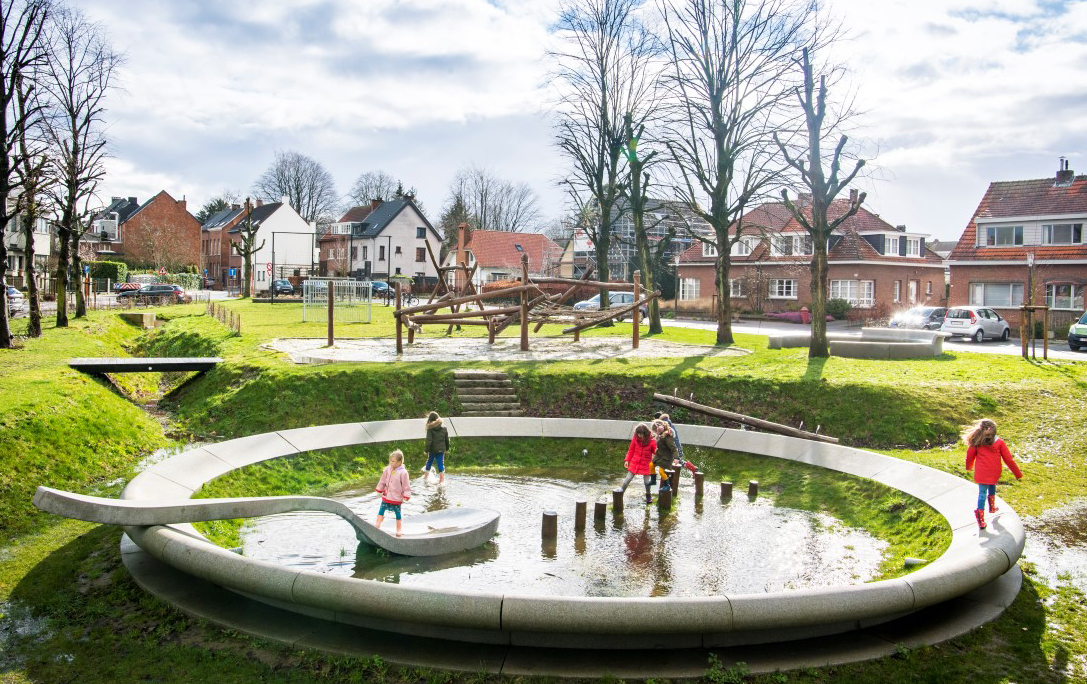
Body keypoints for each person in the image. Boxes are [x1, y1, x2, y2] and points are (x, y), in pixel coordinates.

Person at [964, 418, 1023, 530]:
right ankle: (992, 507)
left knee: (982, 493)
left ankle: (981, 520)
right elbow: (1009, 460)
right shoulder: (1000, 443)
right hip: (994, 471)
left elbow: (970, 456)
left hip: (981, 472)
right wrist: (1017, 473)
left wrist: (969, 467)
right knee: (992, 485)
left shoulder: (976, 442)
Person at [375, 449, 412, 537]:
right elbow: (382, 480)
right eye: (390, 461)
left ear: (400, 462)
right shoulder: (387, 470)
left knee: (398, 513)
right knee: (381, 509)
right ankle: (377, 524)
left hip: (396, 497)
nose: (391, 463)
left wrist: (406, 495)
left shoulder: (403, 473)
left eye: (393, 461)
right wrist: (379, 489)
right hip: (386, 495)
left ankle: (398, 530)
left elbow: (406, 486)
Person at [620, 423, 657, 504]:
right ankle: (620, 494)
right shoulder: (635, 438)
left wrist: (658, 451)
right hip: (635, 462)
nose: (640, 436)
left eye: (641, 434)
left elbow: (655, 451)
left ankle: (648, 495)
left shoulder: (652, 441)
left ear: (646, 433)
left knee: (646, 482)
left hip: (646, 463)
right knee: (627, 479)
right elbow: (631, 449)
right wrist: (627, 460)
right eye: (638, 434)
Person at [652, 419, 679, 492]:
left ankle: (667, 485)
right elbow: (660, 445)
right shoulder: (660, 436)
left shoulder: (667, 436)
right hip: (660, 456)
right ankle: (653, 480)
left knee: (661, 471)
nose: (656, 431)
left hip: (666, 458)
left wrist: (676, 457)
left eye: (657, 429)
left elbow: (673, 448)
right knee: (651, 465)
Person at [423, 411, 450, 484]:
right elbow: (446, 439)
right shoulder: (444, 428)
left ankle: (426, 477)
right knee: (440, 463)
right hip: (441, 450)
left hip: (432, 450)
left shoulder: (430, 428)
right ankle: (442, 479)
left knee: (429, 462)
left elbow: (429, 441)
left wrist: (426, 450)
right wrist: (447, 448)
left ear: (430, 419)